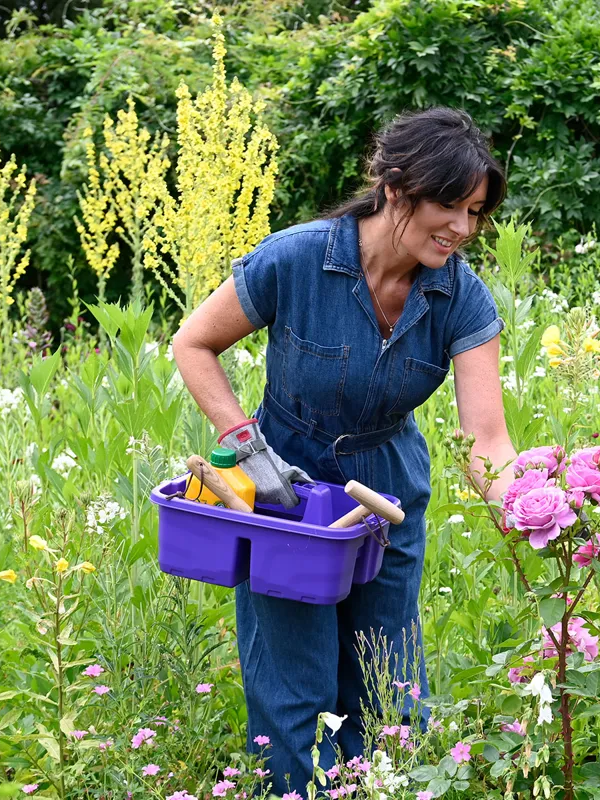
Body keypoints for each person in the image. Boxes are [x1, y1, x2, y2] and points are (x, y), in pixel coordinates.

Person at [172, 106, 520, 796]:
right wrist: (248, 448)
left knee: (387, 681)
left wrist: (539, 511)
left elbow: (487, 439)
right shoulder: (299, 258)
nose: (463, 228)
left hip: (384, 497)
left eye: (475, 212)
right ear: (395, 189)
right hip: (286, 495)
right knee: (294, 683)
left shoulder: (460, 296)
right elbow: (193, 344)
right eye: (450, 205)